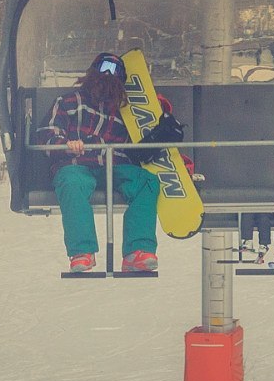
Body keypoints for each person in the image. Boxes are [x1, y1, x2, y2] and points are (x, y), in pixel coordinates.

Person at [36, 52, 183, 273]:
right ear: (93, 71)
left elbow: (141, 145)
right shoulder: (68, 102)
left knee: (147, 182)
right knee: (71, 181)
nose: (107, 74)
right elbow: (46, 133)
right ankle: (82, 251)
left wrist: (162, 125)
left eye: (115, 72)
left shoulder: (125, 113)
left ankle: (137, 251)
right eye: (104, 67)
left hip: (115, 166)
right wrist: (65, 144)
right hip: (78, 163)